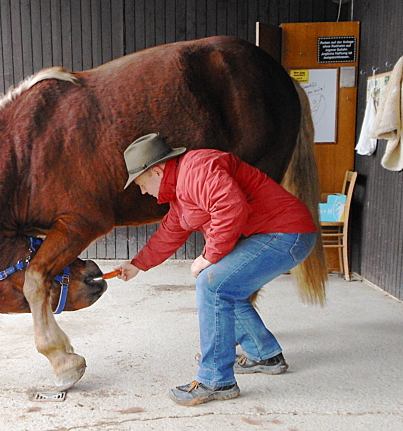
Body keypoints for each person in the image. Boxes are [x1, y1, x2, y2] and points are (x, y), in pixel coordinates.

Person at [117, 133, 317, 406]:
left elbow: (230, 207)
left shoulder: (197, 169)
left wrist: (209, 256)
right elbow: (170, 232)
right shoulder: (180, 192)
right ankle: (264, 354)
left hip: (285, 234)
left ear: (157, 170)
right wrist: (137, 264)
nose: (142, 191)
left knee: (212, 283)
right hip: (276, 234)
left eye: (141, 184)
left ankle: (216, 380)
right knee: (224, 286)